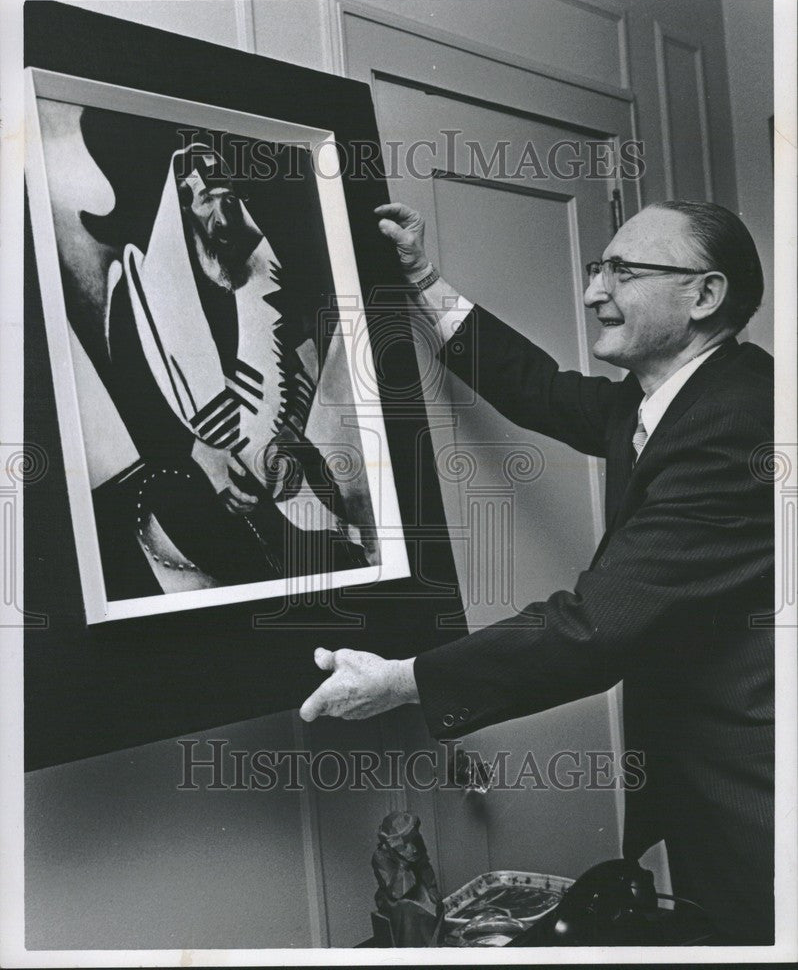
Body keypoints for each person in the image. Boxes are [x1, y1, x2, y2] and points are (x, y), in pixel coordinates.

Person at [300, 200, 775, 944]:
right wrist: (425, 278)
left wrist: (402, 680)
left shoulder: (736, 424)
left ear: (705, 296)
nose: (593, 291)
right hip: (718, 784)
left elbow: (594, 628)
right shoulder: (675, 399)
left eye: (624, 271)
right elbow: (541, 389)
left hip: (759, 798)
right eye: (597, 269)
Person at [105, 143, 369, 587]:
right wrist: (206, 460)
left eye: (230, 199)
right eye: (208, 201)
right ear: (182, 209)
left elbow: (302, 356)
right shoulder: (140, 293)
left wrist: (290, 437)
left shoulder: (262, 271)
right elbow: (133, 398)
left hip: (289, 477)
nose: (224, 218)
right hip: (198, 491)